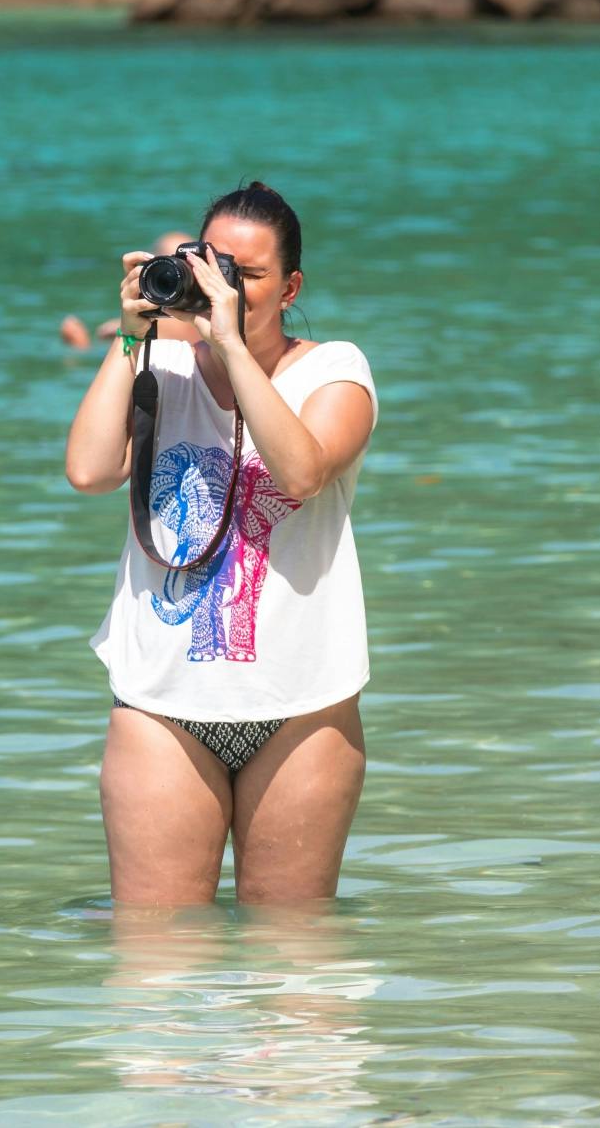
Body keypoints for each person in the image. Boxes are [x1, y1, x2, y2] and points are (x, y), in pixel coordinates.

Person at [64, 182, 377, 907]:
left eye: (249, 274)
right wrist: (129, 338)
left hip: (301, 708)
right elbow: (88, 471)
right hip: (161, 707)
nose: (225, 285)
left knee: (296, 972)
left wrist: (231, 343)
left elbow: (300, 470)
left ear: (292, 286)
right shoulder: (161, 369)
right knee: (156, 973)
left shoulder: (335, 371)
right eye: (213, 264)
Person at [60, 233, 200, 349]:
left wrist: (82, 346)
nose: (178, 273)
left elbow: (106, 332)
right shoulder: (206, 317)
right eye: (171, 262)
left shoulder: (140, 324)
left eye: (184, 263)